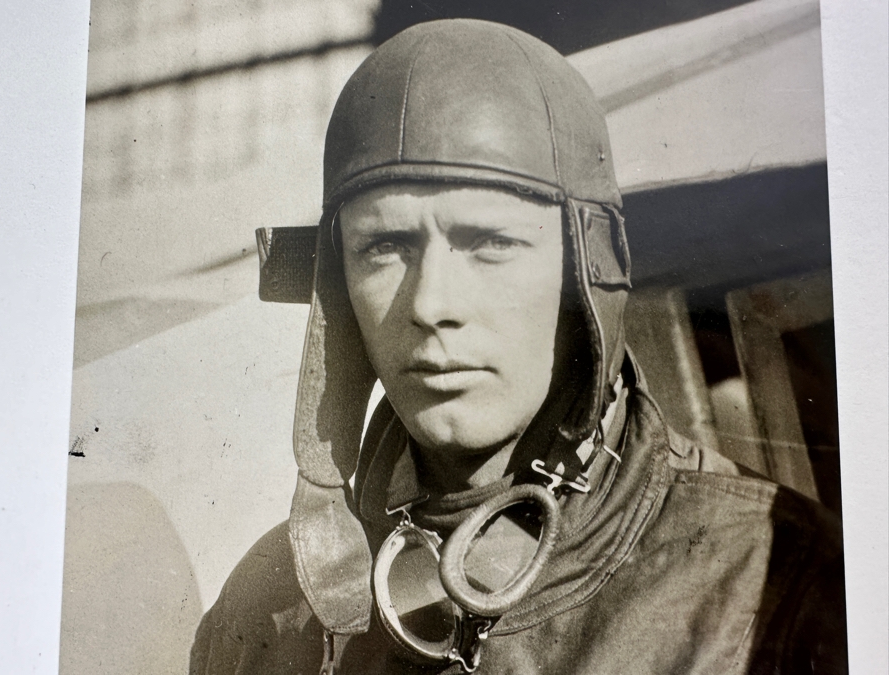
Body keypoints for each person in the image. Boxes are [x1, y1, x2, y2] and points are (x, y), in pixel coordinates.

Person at [190, 19, 847, 675]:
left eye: (490, 243)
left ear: (585, 271)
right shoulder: (270, 607)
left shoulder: (780, 592)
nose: (430, 305)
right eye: (385, 247)